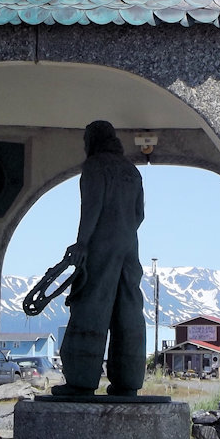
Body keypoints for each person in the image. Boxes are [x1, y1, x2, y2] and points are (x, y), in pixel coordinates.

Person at [52, 120, 146, 397]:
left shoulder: (95, 166)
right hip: (129, 244)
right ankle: (128, 380)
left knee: (91, 305)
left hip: (101, 243)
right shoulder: (132, 171)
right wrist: (124, 233)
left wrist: (83, 243)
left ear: (92, 140)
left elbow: (92, 207)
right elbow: (139, 214)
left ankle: (81, 379)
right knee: (128, 309)